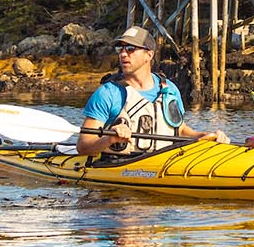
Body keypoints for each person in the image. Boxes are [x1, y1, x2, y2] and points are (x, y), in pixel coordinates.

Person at [76, 26, 229, 158]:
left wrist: (202, 136)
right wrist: (109, 139)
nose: (123, 54)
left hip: (163, 164)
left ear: (149, 55)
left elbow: (179, 130)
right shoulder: (108, 93)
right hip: (118, 165)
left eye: (130, 49)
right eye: (120, 49)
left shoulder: (169, 89)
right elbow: (83, 146)